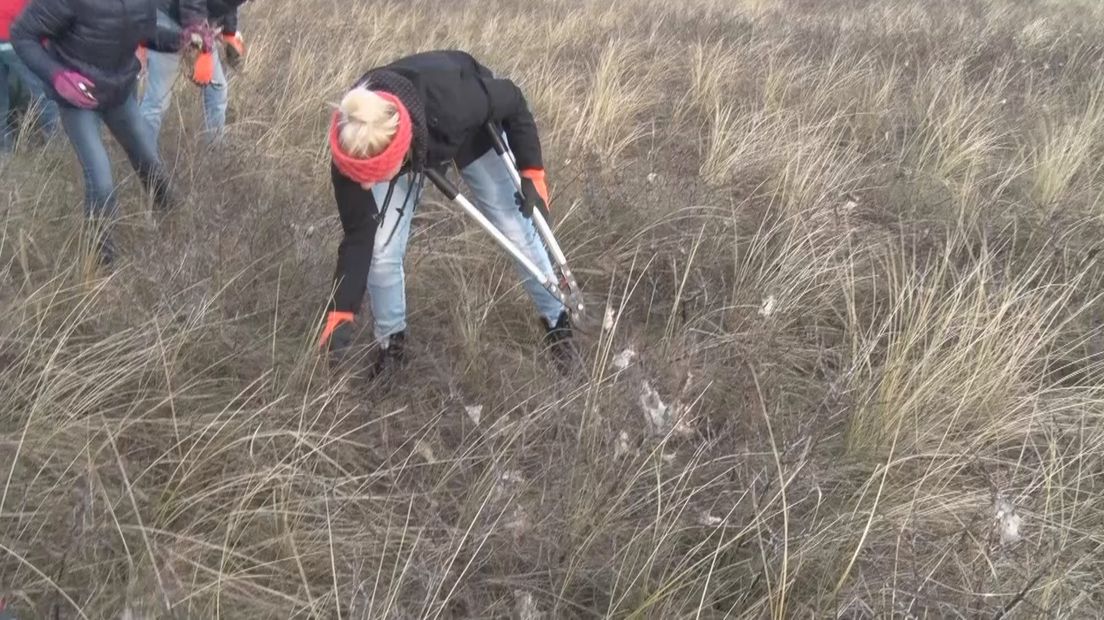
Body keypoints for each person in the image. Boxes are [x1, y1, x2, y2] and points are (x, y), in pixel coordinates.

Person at [320, 50, 574, 376]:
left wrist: (532, 173)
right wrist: (342, 310)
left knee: (515, 228)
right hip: (409, 140)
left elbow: (512, 98)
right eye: (360, 177)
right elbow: (359, 237)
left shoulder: (456, 103)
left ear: (398, 152)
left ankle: (559, 323)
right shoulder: (352, 146)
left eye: (375, 175)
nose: (366, 187)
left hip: (463, 129)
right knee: (382, 250)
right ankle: (391, 347)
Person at [11, 0, 181, 265]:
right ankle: (101, 263)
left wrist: (183, 40)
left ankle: (175, 223)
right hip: (78, 100)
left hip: (119, 93)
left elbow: (144, 32)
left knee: (150, 162)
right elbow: (22, 35)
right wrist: (57, 75)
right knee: (101, 182)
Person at [140, 0, 248, 143]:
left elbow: (230, 3)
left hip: (197, 26)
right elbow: (191, 4)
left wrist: (229, 32)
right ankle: (144, 160)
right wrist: (202, 49)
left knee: (217, 88)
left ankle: (215, 150)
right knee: (157, 101)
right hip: (168, 17)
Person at [0, 0, 59, 151]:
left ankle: (5, 155)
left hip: (17, 33)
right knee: (45, 93)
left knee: (44, 94)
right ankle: (59, 147)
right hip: (20, 34)